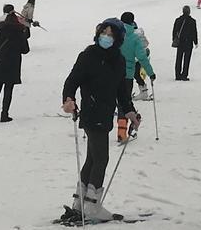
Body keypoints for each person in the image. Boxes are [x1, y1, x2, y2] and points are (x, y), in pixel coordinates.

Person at [61, 18, 138, 223]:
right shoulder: (88, 55)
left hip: (105, 114)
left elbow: (122, 91)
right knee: (101, 158)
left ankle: (81, 202)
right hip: (91, 112)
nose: (106, 37)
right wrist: (68, 99)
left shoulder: (119, 60)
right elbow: (72, 81)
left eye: (111, 34)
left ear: (118, 39)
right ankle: (92, 205)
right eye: (104, 33)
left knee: (93, 158)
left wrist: (130, 111)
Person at [0, 11, 30, 122]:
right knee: (8, 91)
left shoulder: (1, 31)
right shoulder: (20, 33)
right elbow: (25, 50)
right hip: (13, 65)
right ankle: (4, 115)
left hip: (0, 63)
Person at [117, 12, 153, 141]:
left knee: (120, 103)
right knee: (124, 101)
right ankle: (125, 128)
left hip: (113, 74)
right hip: (127, 75)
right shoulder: (134, 38)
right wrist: (150, 73)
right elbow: (142, 57)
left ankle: (123, 130)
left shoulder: (115, 35)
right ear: (132, 22)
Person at [173, 6, 199, 81]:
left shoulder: (178, 20)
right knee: (187, 60)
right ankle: (184, 75)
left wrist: (174, 39)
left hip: (180, 42)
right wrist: (195, 42)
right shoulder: (192, 21)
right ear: (189, 12)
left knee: (179, 58)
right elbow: (194, 32)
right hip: (188, 43)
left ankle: (177, 75)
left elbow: (174, 31)